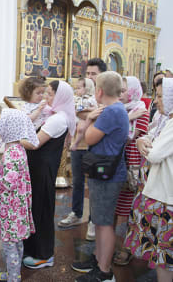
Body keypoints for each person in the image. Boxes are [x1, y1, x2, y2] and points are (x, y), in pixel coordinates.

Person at [72, 71, 129, 282]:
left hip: (108, 175)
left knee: (104, 223)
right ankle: (97, 260)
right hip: (103, 172)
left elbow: (89, 137)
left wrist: (89, 119)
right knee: (99, 219)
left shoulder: (111, 111)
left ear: (99, 91)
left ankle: (104, 272)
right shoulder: (115, 109)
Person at [22, 80, 76, 269]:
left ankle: (44, 255)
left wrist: (15, 137)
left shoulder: (58, 119)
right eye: (46, 93)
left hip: (43, 170)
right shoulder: (54, 115)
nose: (46, 97)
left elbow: (34, 143)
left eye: (51, 94)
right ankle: (32, 249)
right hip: (39, 168)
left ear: (60, 96)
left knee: (43, 210)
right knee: (36, 208)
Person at [124, 77, 173, 282]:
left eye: (161, 97)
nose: (156, 101)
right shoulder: (166, 121)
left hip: (166, 197)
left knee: (164, 254)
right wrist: (144, 140)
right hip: (162, 194)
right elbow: (148, 137)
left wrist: (144, 143)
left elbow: (153, 154)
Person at [0, 108, 38, 281]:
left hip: (11, 210)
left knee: (9, 246)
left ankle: (13, 278)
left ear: (10, 127)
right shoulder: (16, 148)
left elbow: (8, 183)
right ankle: (13, 274)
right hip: (16, 207)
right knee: (17, 243)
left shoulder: (12, 153)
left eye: (1, 122)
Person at [58, 58, 106, 238]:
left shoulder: (104, 93)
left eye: (94, 74)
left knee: (94, 183)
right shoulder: (81, 96)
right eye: (88, 74)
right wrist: (88, 113)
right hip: (79, 146)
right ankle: (76, 213)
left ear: (101, 75)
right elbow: (76, 111)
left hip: (96, 146)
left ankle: (94, 220)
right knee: (77, 181)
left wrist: (85, 112)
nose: (90, 77)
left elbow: (103, 112)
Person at [113, 76, 149, 266]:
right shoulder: (124, 110)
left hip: (131, 167)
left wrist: (123, 119)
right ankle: (117, 245)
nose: (121, 93)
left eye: (125, 90)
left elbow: (127, 136)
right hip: (119, 163)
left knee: (127, 209)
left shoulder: (141, 111)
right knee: (118, 207)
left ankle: (126, 248)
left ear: (134, 91)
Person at [69, 78, 97, 151]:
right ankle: (69, 141)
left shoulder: (91, 99)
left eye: (79, 88)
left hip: (83, 119)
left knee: (80, 129)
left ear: (87, 88)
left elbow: (95, 108)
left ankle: (76, 143)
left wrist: (86, 109)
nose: (76, 90)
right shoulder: (76, 98)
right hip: (75, 117)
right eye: (76, 88)